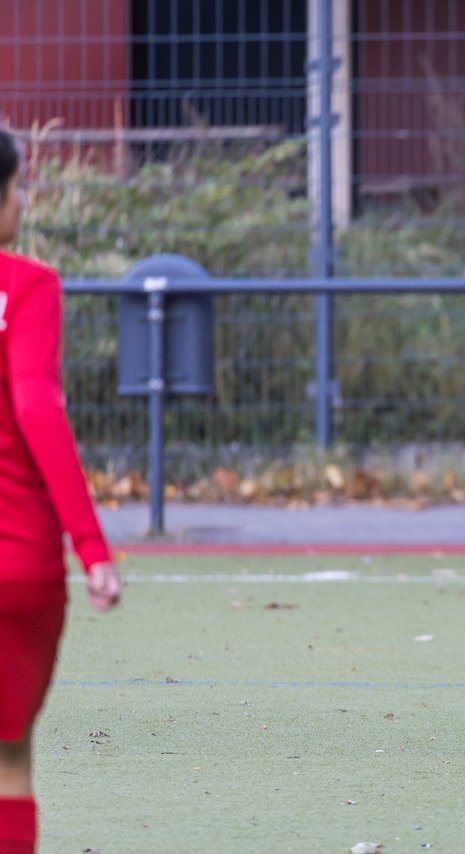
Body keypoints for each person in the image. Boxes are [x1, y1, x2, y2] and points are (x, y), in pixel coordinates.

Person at [0, 128, 122, 854]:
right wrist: (93, 547)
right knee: (10, 757)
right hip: (21, 566)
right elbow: (39, 408)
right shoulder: (30, 286)